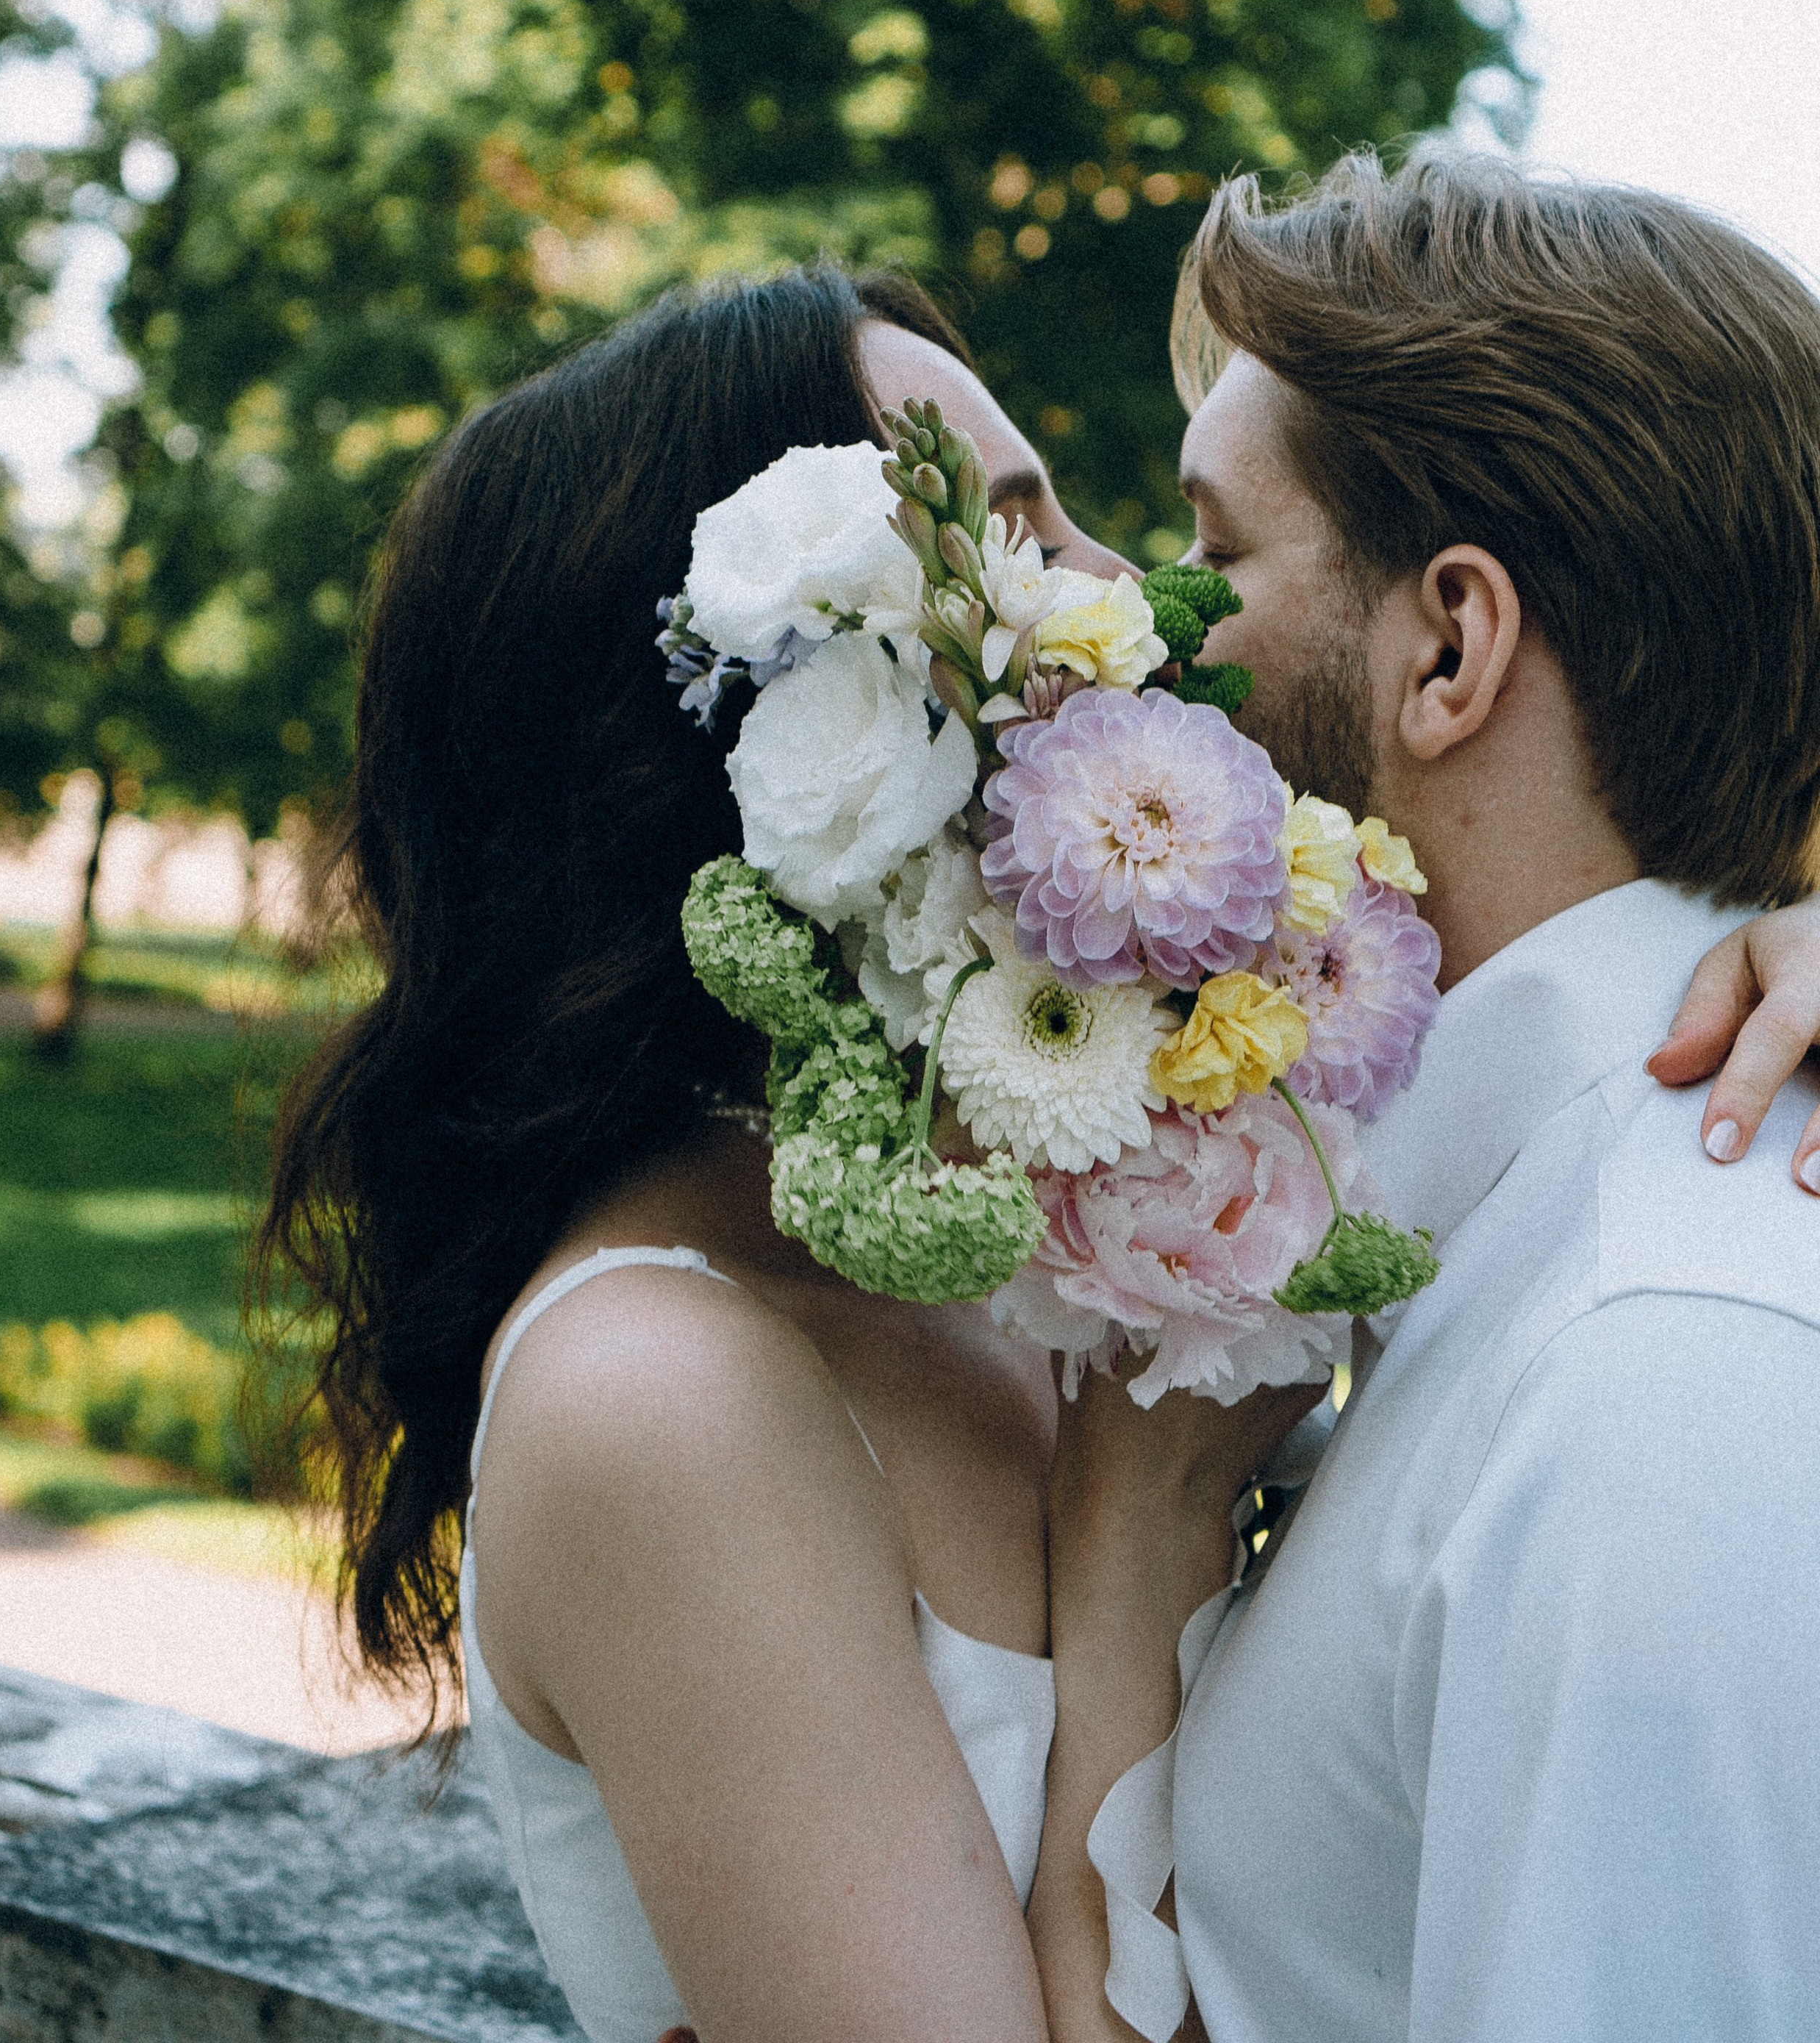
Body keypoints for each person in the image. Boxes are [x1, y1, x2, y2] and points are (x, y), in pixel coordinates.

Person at [254, 252, 1820, 2043]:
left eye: (1148, 537)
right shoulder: (660, 1393)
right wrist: (1140, 1540)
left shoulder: (1076, 1222)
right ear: (785, 711)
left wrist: (1759, 928)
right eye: (1017, 536)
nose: (1133, 600)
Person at [1106, 158, 1820, 2043]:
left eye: (1212, 558)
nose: (1144, 648)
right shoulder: (1508, 1252)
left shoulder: (1652, 1374)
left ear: (1446, 649)